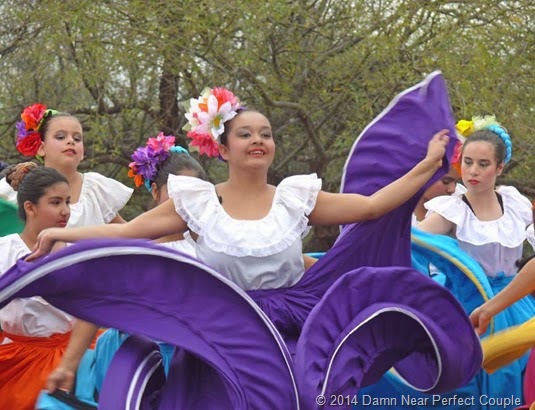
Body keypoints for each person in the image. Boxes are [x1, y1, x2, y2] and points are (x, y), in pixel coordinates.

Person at [28, 88, 449, 288]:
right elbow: (123, 231)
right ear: (223, 149)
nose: (258, 141)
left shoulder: (293, 199)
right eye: (246, 134)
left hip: (290, 331)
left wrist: (428, 165)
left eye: (265, 133)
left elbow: (373, 207)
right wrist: (58, 232)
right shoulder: (199, 203)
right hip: (221, 338)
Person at [0, 164, 74, 409]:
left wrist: (71, 363)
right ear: (29, 207)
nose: (65, 211)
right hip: (18, 363)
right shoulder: (5, 251)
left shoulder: (76, 252)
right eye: (55, 203)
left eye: (67, 202)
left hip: (74, 359)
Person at [0, 103, 133, 226]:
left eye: (77, 138)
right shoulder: (17, 188)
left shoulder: (96, 190)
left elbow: (126, 233)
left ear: (83, 153)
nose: (70, 141)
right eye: (60, 137)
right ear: (41, 148)